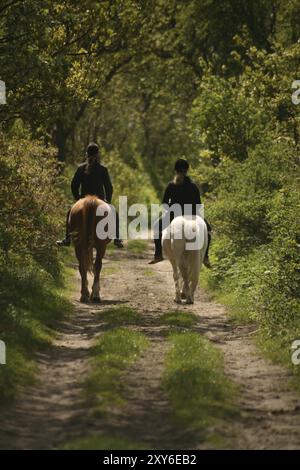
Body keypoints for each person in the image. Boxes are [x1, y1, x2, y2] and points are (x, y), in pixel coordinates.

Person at [56, 142, 123, 248]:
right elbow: (109, 187)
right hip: (100, 200)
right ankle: (117, 238)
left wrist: (78, 199)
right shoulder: (103, 169)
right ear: (97, 154)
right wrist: (108, 201)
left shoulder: (80, 168)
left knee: (70, 212)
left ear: (86, 154)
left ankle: (67, 239)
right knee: (114, 212)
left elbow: (74, 185)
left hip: (83, 200)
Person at [149, 158, 212, 267]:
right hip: (192, 215)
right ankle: (205, 257)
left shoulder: (171, 186)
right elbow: (198, 205)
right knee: (208, 230)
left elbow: (164, 204)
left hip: (173, 215)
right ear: (187, 170)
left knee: (156, 227)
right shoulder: (193, 186)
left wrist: (169, 212)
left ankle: (158, 255)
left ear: (175, 170)